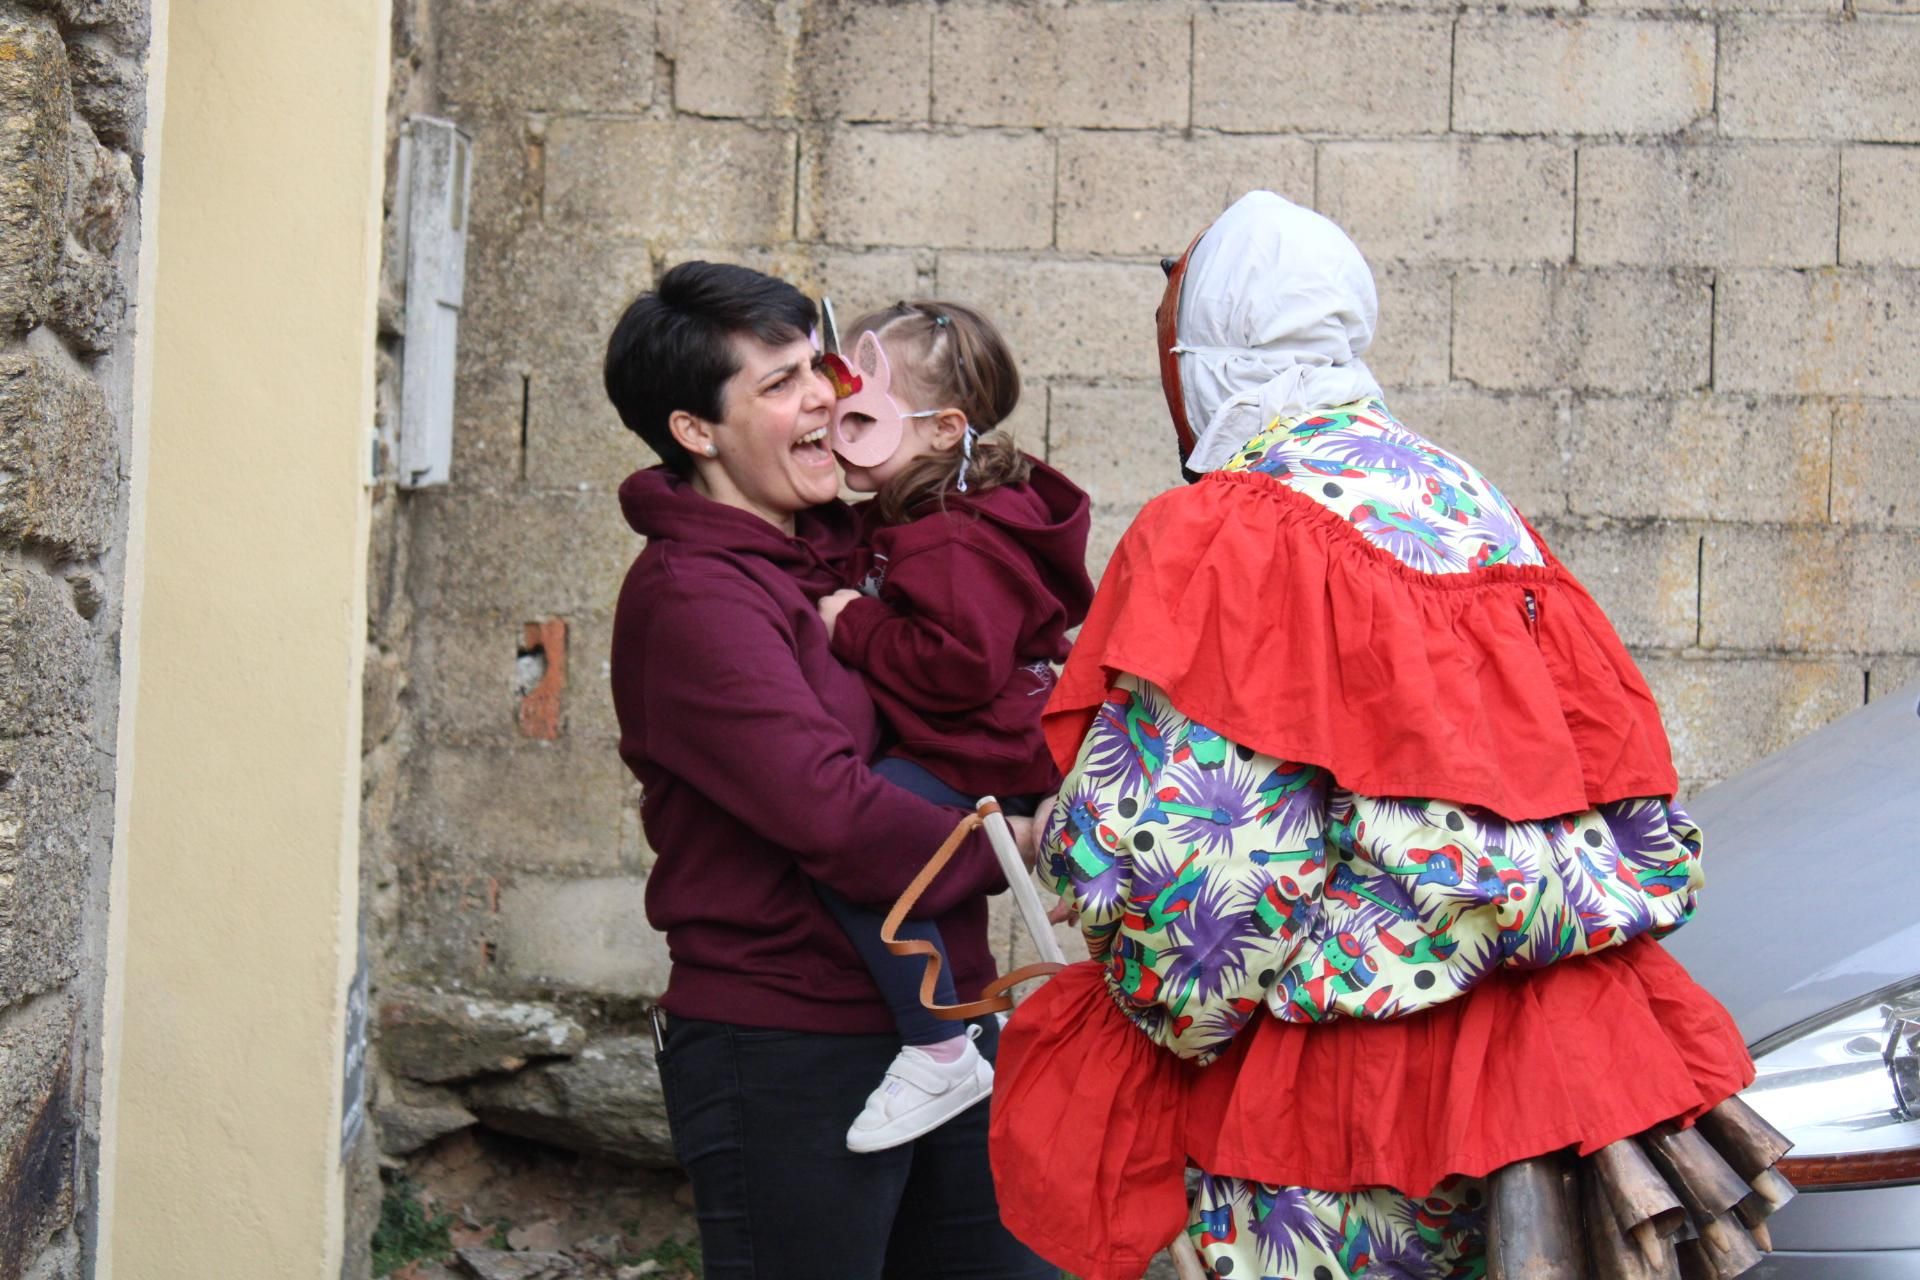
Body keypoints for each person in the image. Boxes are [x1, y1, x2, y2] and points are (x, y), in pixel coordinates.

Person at [985, 192, 1790, 1280]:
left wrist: (1150, 1000)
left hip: (1351, 1117)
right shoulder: (1464, 496)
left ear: (1203, 353)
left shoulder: (1227, 528)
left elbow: (1204, 891)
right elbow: (1615, 781)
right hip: (1557, 1088)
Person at [603, 261, 1055, 1280]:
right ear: (694, 430)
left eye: (819, 365)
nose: (821, 395)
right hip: (787, 1048)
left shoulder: (856, 542)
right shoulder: (693, 600)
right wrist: (1018, 837)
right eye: (778, 383)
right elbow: (833, 812)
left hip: (949, 1019)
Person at [805, 300, 1093, 1153]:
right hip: (978, 743)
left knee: (864, 844)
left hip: (986, 750)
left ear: (942, 430)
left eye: (861, 417)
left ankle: (936, 1047)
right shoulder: (921, 513)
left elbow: (961, 662)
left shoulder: (951, 539)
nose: (835, 431)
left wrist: (850, 622)